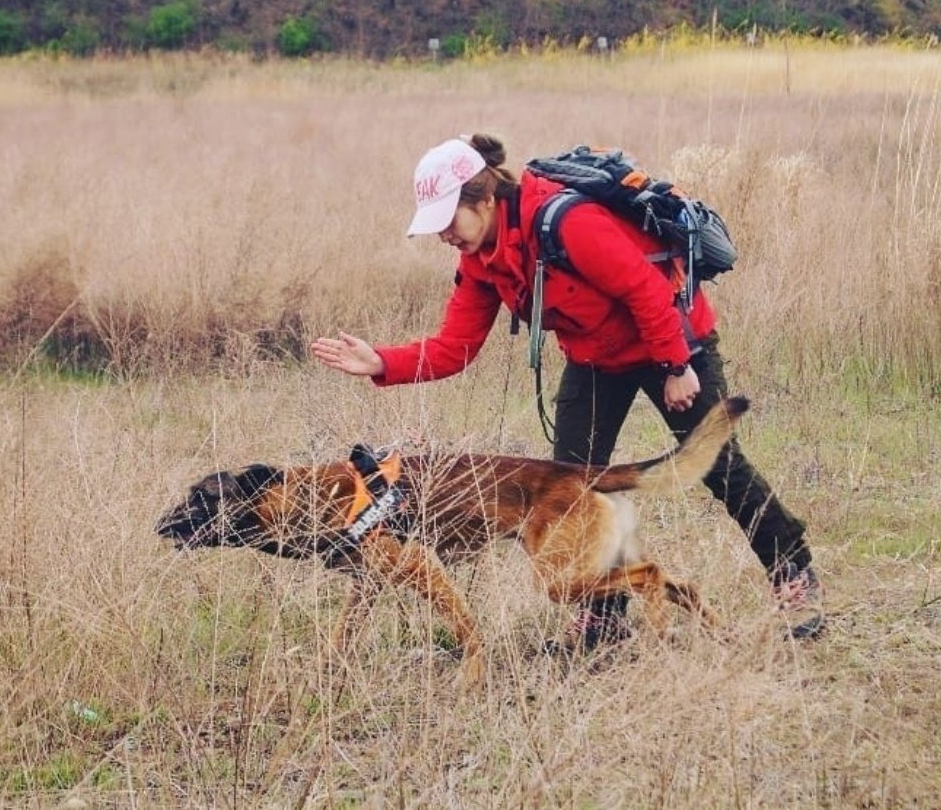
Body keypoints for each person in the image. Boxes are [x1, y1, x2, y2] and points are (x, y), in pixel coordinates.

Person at [311, 134, 824, 648]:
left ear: (486, 198)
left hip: (667, 339)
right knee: (573, 482)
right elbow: (455, 347)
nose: (443, 234)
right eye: (436, 224)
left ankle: (794, 575)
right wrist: (382, 361)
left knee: (717, 464)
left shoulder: (567, 222)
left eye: (449, 219)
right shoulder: (480, 260)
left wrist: (676, 365)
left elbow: (644, 290)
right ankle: (604, 616)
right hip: (595, 360)